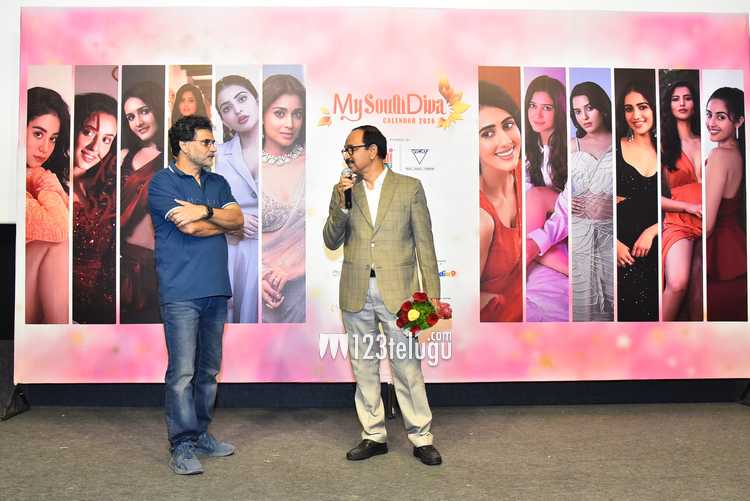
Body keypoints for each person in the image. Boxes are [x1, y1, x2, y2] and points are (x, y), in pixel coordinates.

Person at [323, 125, 443, 466]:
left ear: (373, 151)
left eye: (352, 148)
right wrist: (342, 205)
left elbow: (424, 243)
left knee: (407, 367)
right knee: (363, 366)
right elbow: (331, 240)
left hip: (399, 292)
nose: (347, 155)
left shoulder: (409, 187)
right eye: (346, 150)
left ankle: (421, 437)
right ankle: (373, 435)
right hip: (356, 290)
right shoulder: (344, 190)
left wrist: (432, 293)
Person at [148, 115, 243, 475]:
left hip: (216, 290)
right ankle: (182, 444)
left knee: (209, 371)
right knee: (182, 373)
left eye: (213, 141)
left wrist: (204, 211)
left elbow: (238, 221)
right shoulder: (162, 182)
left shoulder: (217, 182)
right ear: (184, 145)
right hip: (181, 293)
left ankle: (201, 433)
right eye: (206, 142)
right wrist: (218, 223)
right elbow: (188, 227)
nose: (213, 148)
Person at [523, 75, 569, 322]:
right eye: (532, 105)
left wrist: (536, 242)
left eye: (547, 108)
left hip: (574, 216)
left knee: (537, 195)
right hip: (546, 216)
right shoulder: (530, 148)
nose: (537, 114)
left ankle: (525, 257)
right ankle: (569, 269)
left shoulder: (571, 148)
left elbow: (570, 206)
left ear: (559, 111)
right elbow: (524, 189)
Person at [215, 75, 260, 323]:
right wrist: (231, 221)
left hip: (277, 252)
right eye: (227, 108)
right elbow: (200, 209)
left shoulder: (288, 150)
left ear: (257, 99)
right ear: (223, 119)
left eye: (242, 99)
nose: (238, 110)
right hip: (234, 252)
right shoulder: (217, 156)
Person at [261, 74, 306, 323]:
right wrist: (256, 277)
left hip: (306, 289)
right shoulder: (247, 169)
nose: (290, 123)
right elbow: (231, 238)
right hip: (260, 288)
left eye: (297, 114)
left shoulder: (314, 163)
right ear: (262, 115)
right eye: (279, 113)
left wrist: (296, 269)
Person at [568, 81, 614, 322]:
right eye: (577, 111)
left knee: (615, 295)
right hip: (580, 231)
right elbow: (557, 190)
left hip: (612, 231)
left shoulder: (621, 142)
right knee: (584, 297)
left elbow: (638, 188)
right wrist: (566, 202)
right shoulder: (572, 146)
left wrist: (615, 203)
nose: (584, 117)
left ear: (602, 107)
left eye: (589, 108)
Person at [478, 80, 523, 322]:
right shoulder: (480, 220)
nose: (505, 141)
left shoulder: (529, 177)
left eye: (508, 125)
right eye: (487, 133)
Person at [120, 81, 164, 323]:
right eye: (130, 117)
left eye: (144, 111)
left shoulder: (173, 158)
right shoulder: (124, 156)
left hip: (157, 266)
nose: (138, 122)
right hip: (120, 261)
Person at [25, 86, 70, 324]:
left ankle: (60, 330)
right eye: (38, 134)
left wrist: (39, 177)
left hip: (29, 290)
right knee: (58, 245)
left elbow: (66, 221)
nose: (45, 148)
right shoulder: (23, 181)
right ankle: (60, 332)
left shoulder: (36, 176)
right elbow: (59, 228)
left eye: (53, 138)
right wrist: (42, 180)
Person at [72, 93, 118, 324]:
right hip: (63, 306)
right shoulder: (47, 184)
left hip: (102, 309)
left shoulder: (104, 190)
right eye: (88, 132)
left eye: (106, 140)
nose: (95, 147)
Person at [615, 79, 659, 321]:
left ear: (654, 108)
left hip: (659, 246)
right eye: (628, 109)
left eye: (643, 107)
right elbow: (591, 205)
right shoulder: (614, 148)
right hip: (622, 250)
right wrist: (613, 243)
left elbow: (678, 205)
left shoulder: (667, 150)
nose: (636, 115)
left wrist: (652, 232)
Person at [660, 78, 703, 321]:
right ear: (669, 106)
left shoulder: (708, 141)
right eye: (676, 99)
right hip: (680, 222)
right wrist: (689, 207)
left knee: (700, 294)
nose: (682, 103)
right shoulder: (663, 147)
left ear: (695, 104)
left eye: (687, 98)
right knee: (677, 284)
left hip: (711, 221)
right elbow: (652, 198)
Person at [705, 87, 746, 321]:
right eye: (709, 114)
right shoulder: (738, 153)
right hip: (735, 249)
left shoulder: (720, 156)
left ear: (739, 121)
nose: (711, 123)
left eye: (721, 117)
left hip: (720, 255)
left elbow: (707, 226)